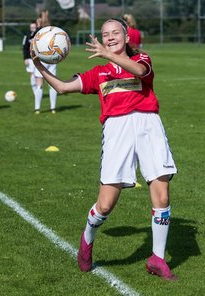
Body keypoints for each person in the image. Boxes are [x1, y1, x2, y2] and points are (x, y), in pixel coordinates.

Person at [31, 18, 178, 280]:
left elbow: (142, 72)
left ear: (126, 37)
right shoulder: (98, 73)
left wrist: (110, 54)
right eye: (105, 34)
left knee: (162, 195)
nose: (110, 37)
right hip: (116, 131)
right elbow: (64, 87)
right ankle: (87, 237)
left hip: (149, 125)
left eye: (115, 33)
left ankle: (157, 258)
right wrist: (39, 65)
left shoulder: (142, 59)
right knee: (106, 204)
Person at [34, 11, 57, 114]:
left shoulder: (38, 32)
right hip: (52, 58)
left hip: (41, 59)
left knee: (39, 84)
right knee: (52, 85)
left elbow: (33, 44)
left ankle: (37, 108)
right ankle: (53, 108)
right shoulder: (53, 30)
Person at [22, 21, 38, 95]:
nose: (33, 29)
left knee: (38, 75)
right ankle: (35, 93)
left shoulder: (39, 34)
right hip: (29, 58)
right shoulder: (27, 35)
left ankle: (38, 90)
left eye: (34, 27)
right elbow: (24, 47)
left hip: (38, 58)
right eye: (31, 27)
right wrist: (25, 58)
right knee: (32, 75)